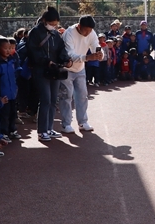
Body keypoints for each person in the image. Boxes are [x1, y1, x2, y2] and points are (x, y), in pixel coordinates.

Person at [27, 7, 70, 142]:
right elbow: (33, 51)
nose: (54, 26)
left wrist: (66, 59)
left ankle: (50, 128)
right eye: (51, 23)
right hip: (41, 70)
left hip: (54, 70)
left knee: (53, 100)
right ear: (44, 20)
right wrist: (47, 61)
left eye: (55, 23)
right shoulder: (35, 32)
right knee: (45, 99)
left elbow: (61, 49)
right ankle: (42, 131)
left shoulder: (56, 34)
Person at [59, 15, 101, 135]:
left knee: (82, 95)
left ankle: (83, 122)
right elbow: (69, 55)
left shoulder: (92, 33)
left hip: (80, 68)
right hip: (66, 69)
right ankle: (66, 124)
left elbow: (96, 46)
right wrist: (87, 57)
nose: (88, 33)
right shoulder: (69, 33)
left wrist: (99, 54)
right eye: (86, 30)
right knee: (66, 96)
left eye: (90, 30)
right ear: (79, 26)